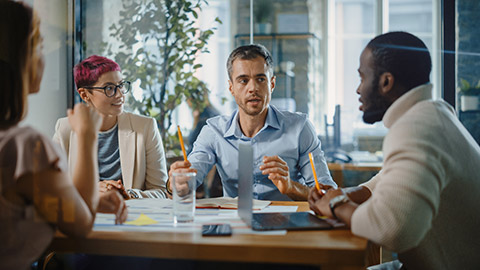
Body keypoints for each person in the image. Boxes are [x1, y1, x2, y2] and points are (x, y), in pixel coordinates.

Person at [308, 31, 480, 269]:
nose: (358, 90)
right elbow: (392, 180)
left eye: (362, 77)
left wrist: (336, 206)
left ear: (386, 82)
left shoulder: (415, 128)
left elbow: (391, 229)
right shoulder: (434, 112)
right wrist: (345, 194)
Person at [0, 2, 127, 270]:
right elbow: (79, 224)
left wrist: (88, 199)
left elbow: (56, 201)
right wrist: (86, 135)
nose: (119, 94)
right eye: (40, 47)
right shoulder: (25, 147)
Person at [169, 44, 336, 201]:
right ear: (231, 88)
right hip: (235, 225)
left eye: (261, 79)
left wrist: (291, 187)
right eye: (243, 80)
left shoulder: (300, 128)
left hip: (287, 225)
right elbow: (186, 182)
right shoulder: (213, 131)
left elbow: (328, 194)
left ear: (272, 84)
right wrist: (176, 184)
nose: (253, 88)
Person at [53, 55, 169, 199]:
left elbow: (161, 191)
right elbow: (54, 188)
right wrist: (92, 190)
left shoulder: (145, 127)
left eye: (120, 85)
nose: (120, 94)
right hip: (85, 216)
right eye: (109, 88)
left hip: (132, 217)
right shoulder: (65, 128)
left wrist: (129, 194)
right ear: (84, 94)